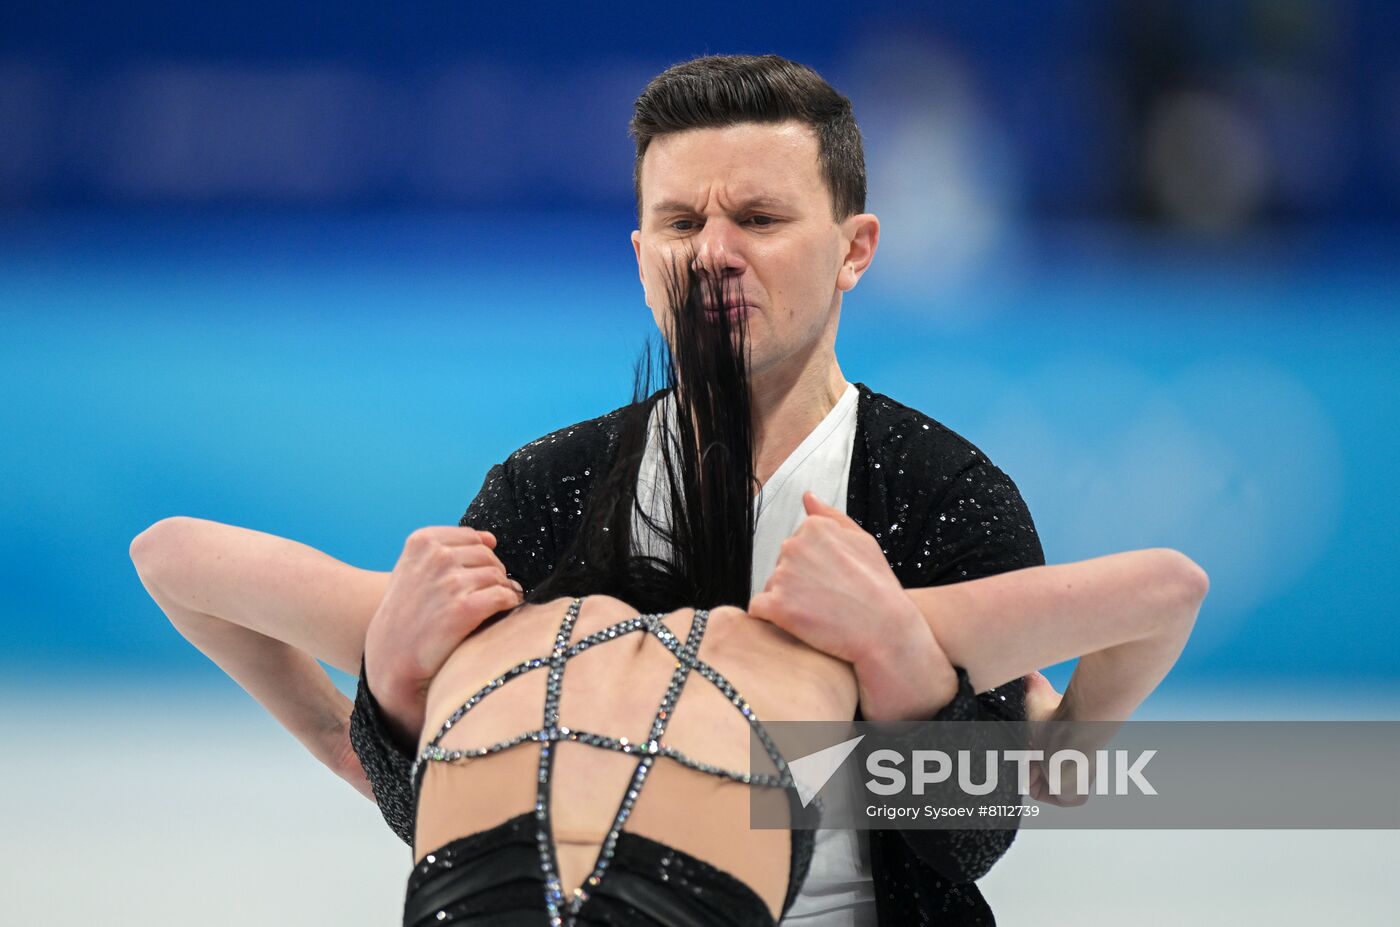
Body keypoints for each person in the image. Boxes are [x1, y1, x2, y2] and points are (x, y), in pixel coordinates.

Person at [130, 261, 1208, 926]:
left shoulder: (485, 624)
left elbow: (171, 555)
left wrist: (366, 728)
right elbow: (1164, 588)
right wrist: (1030, 730)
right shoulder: (828, 647)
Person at [357, 54, 1047, 924]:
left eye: (759, 218)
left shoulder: (942, 493)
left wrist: (904, 668)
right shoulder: (544, 489)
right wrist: (392, 691)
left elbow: (970, 836)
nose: (714, 254)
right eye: (682, 222)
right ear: (644, 258)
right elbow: (448, 820)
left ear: (855, 248)